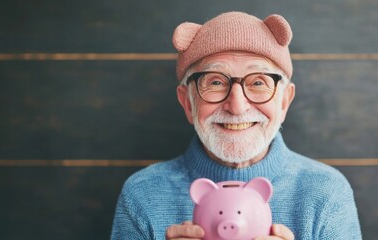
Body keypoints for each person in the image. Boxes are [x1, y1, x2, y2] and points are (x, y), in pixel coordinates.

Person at [111, 11, 362, 240]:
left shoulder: (326, 192)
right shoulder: (143, 195)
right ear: (187, 102)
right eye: (216, 82)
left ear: (284, 102)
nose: (237, 106)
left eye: (259, 82)